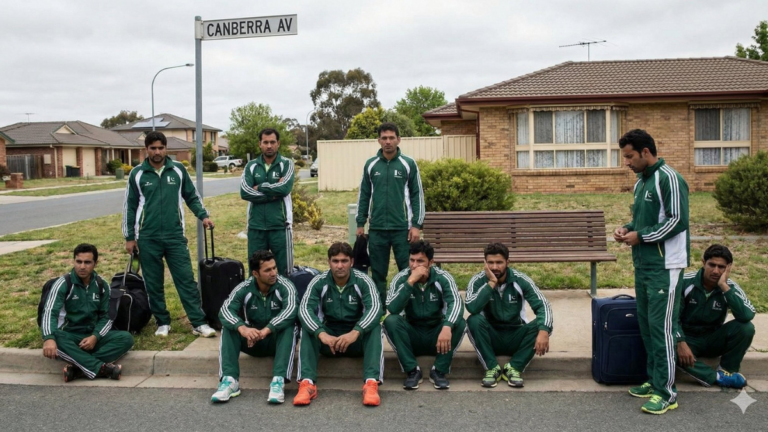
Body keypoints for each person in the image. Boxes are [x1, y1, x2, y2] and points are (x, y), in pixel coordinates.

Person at [613, 128, 690, 415]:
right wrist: (628, 229)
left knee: (662, 330)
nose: (627, 162)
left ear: (646, 152)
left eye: (630, 156)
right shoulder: (640, 183)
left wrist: (641, 237)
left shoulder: (669, 178)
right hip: (643, 265)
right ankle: (654, 380)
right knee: (646, 327)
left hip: (666, 266)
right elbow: (641, 220)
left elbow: (678, 220)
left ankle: (667, 393)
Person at [122, 131, 216, 338]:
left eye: (161, 148)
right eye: (153, 148)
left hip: (175, 236)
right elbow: (129, 206)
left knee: (186, 280)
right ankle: (162, 322)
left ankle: (198, 322)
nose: (157, 152)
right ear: (146, 149)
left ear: (166, 148)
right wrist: (129, 237)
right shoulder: (137, 173)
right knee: (153, 282)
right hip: (147, 237)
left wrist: (203, 216)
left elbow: (191, 196)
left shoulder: (178, 170)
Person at [295, 242, 383, 407]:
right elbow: (304, 310)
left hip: (355, 340)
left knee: (375, 327)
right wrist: (321, 333)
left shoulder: (363, 281)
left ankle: (371, 384)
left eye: (344, 261)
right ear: (329, 262)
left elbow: (376, 309)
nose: (340, 266)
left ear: (352, 261)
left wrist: (355, 332)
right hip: (329, 340)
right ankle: (307, 384)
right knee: (309, 328)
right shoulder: (319, 281)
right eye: (335, 261)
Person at [211, 250, 299, 404]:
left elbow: (291, 310)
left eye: (274, 268)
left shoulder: (285, 286)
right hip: (253, 340)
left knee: (290, 327)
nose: (273, 273)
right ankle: (230, 381)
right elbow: (224, 311)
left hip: (275, 340)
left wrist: (267, 330)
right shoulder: (244, 288)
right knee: (229, 326)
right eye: (267, 270)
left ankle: (278, 382)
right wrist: (243, 329)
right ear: (255, 273)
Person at [41, 244, 134, 382]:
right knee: (56, 337)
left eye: (87, 262)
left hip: (91, 336)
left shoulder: (102, 284)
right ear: (74, 261)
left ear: (95, 263)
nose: (82, 266)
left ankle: (78, 368)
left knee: (126, 338)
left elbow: (107, 317)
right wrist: (48, 338)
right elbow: (50, 312)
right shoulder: (63, 283)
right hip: (69, 335)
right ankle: (101, 368)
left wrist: (95, 337)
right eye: (79, 262)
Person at [465, 243, 553, 388]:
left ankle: (514, 368)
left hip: (516, 335)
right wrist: (491, 283)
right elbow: (472, 307)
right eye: (490, 263)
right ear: (485, 263)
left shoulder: (520, 279)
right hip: (491, 337)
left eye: (499, 262)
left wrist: (544, 331)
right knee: (473, 320)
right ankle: (492, 368)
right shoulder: (478, 280)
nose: (494, 267)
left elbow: (543, 305)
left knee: (544, 323)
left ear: (507, 262)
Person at [356, 122, 424, 306]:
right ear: (379, 140)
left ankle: (408, 307)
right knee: (378, 272)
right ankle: (380, 310)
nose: (388, 142)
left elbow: (417, 194)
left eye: (391, 138)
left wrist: (416, 225)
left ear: (398, 140)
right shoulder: (371, 165)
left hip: (402, 229)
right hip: (377, 228)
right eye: (384, 138)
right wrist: (360, 222)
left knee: (407, 270)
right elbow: (364, 194)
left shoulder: (407, 164)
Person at [383, 240, 465, 390]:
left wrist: (447, 327)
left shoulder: (443, 277)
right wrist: (410, 282)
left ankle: (439, 371)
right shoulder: (401, 278)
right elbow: (392, 308)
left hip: (437, 335)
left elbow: (457, 304)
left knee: (459, 322)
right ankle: (412, 371)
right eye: (412, 260)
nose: (414, 265)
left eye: (420, 261)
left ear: (431, 262)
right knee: (391, 321)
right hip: (412, 334)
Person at [677, 244, 755, 389]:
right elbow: (671, 317)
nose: (716, 271)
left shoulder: (730, 286)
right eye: (712, 265)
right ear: (703, 262)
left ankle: (727, 371)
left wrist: (724, 287)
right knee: (667, 348)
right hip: (688, 338)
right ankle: (717, 378)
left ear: (728, 268)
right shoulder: (685, 282)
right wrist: (680, 342)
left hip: (713, 337)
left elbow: (746, 315)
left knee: (746, 328)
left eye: (721, 267)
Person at [240, 128, 295, 275]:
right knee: (256, 272)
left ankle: (282, 298)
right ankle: (256, 298)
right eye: (265, 142)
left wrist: (261, 187)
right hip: (256, 227)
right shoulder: (251, 166)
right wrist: (272, 194)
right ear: (260, 144)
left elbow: (285, 188)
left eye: (272, 142)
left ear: (278, 143)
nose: (269, 145)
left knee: (284, 272)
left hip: (280, 226)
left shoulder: (287, 164)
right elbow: (245, 192)